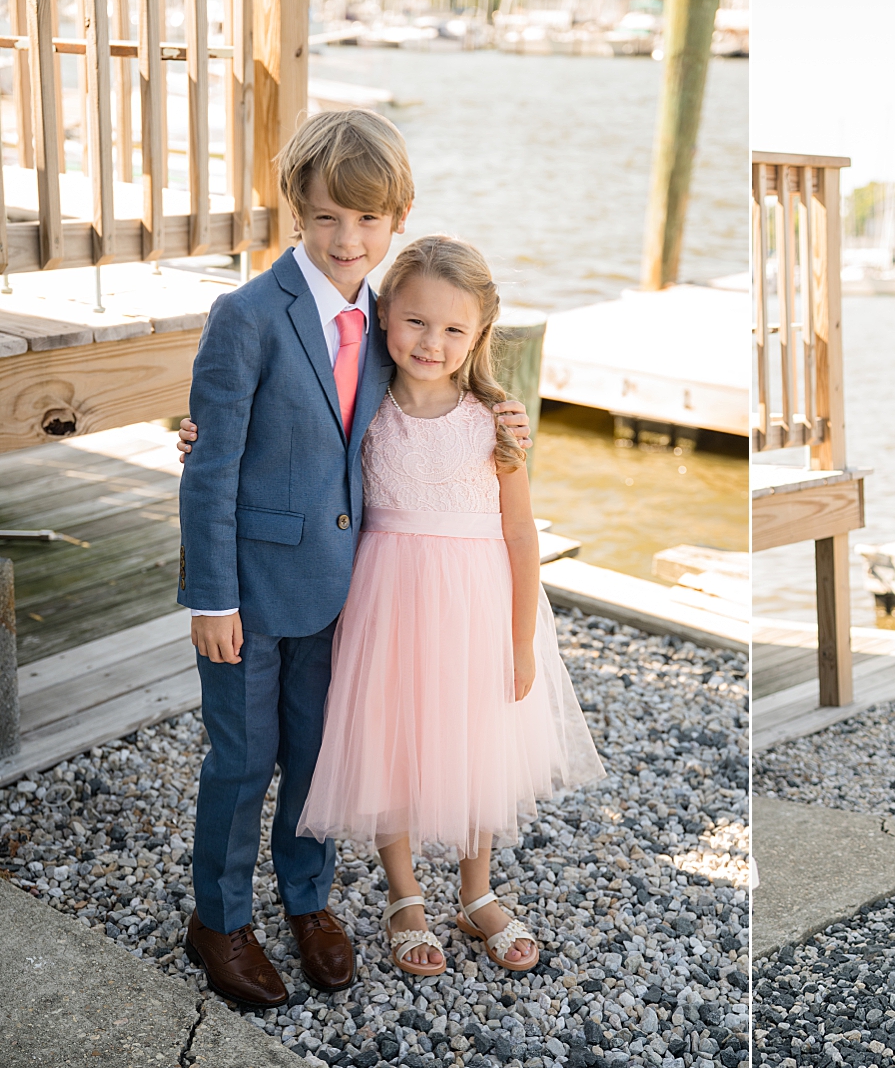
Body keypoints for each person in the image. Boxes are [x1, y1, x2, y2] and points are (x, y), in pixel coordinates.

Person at [175, 111, 531, 1007]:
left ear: (396, 218)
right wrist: (211, 595)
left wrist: (504, 411)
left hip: (349, 594)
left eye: (368, 221)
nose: (347, 238)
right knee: (241, 760)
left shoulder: (384, 316)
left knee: (317, 753)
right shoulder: (247, 315)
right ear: (295, 208)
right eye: (329, 217)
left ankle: (309, 901)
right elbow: (213, 460)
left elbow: (438, 380)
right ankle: (219, 919)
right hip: (250, 594)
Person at [295, 235, 603, 976]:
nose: (432, 343)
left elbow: (521, 532)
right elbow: (289, 446)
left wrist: (522, 639)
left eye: (453, 329)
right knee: (391, 735)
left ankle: (476, 890)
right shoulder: (361, 409)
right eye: (415, 323)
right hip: (387, 599)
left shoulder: (494, 418)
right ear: (384, 317)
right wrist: (197, 436)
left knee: (475, 741)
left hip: (477, 604)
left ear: (479, 335)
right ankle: (404, 895)